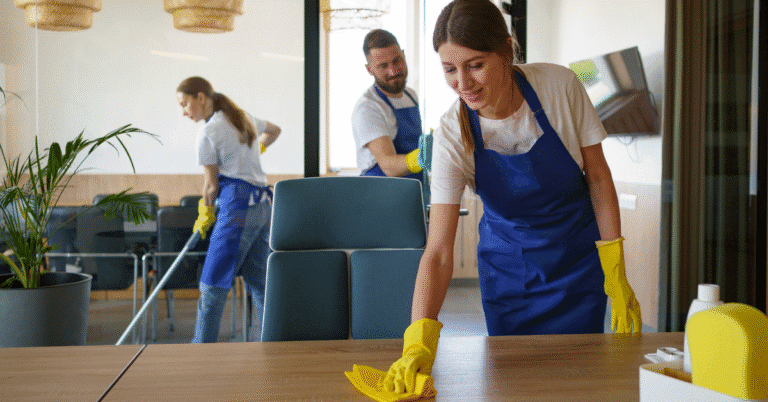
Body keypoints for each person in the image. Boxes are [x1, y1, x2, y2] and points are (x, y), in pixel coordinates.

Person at [346, 0, 643, 397]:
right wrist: (417, 342)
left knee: (576, 384)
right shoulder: (453, 133)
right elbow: (437, 252)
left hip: (578, 264)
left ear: (506, 50)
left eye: (475, 64)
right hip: (509, 275)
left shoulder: (559, 87)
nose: (462, 84)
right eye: (449, 70)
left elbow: (599, 177)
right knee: (514, 386)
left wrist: (616, 271)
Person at [176, 76, 281, 343]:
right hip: (263, 207)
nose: (184, 112)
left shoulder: (208, 132)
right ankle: (271, 345)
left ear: (201, 97)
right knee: (260, 283)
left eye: (185, 104)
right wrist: (254, 151)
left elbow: (211, 187)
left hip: (237, 210)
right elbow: (275, 130)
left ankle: (202, 349)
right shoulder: (242, 117)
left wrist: (205, 213)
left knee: (213, 283)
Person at [351, 29, 431, 183]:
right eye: (383, 66)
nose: (393, 71)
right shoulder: (368, 108)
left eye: (397, 61)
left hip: (415, 187)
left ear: (403, 55)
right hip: (381, 194)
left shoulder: (410, 95)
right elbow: (389, 166)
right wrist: (424, 157)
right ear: (369, 69)